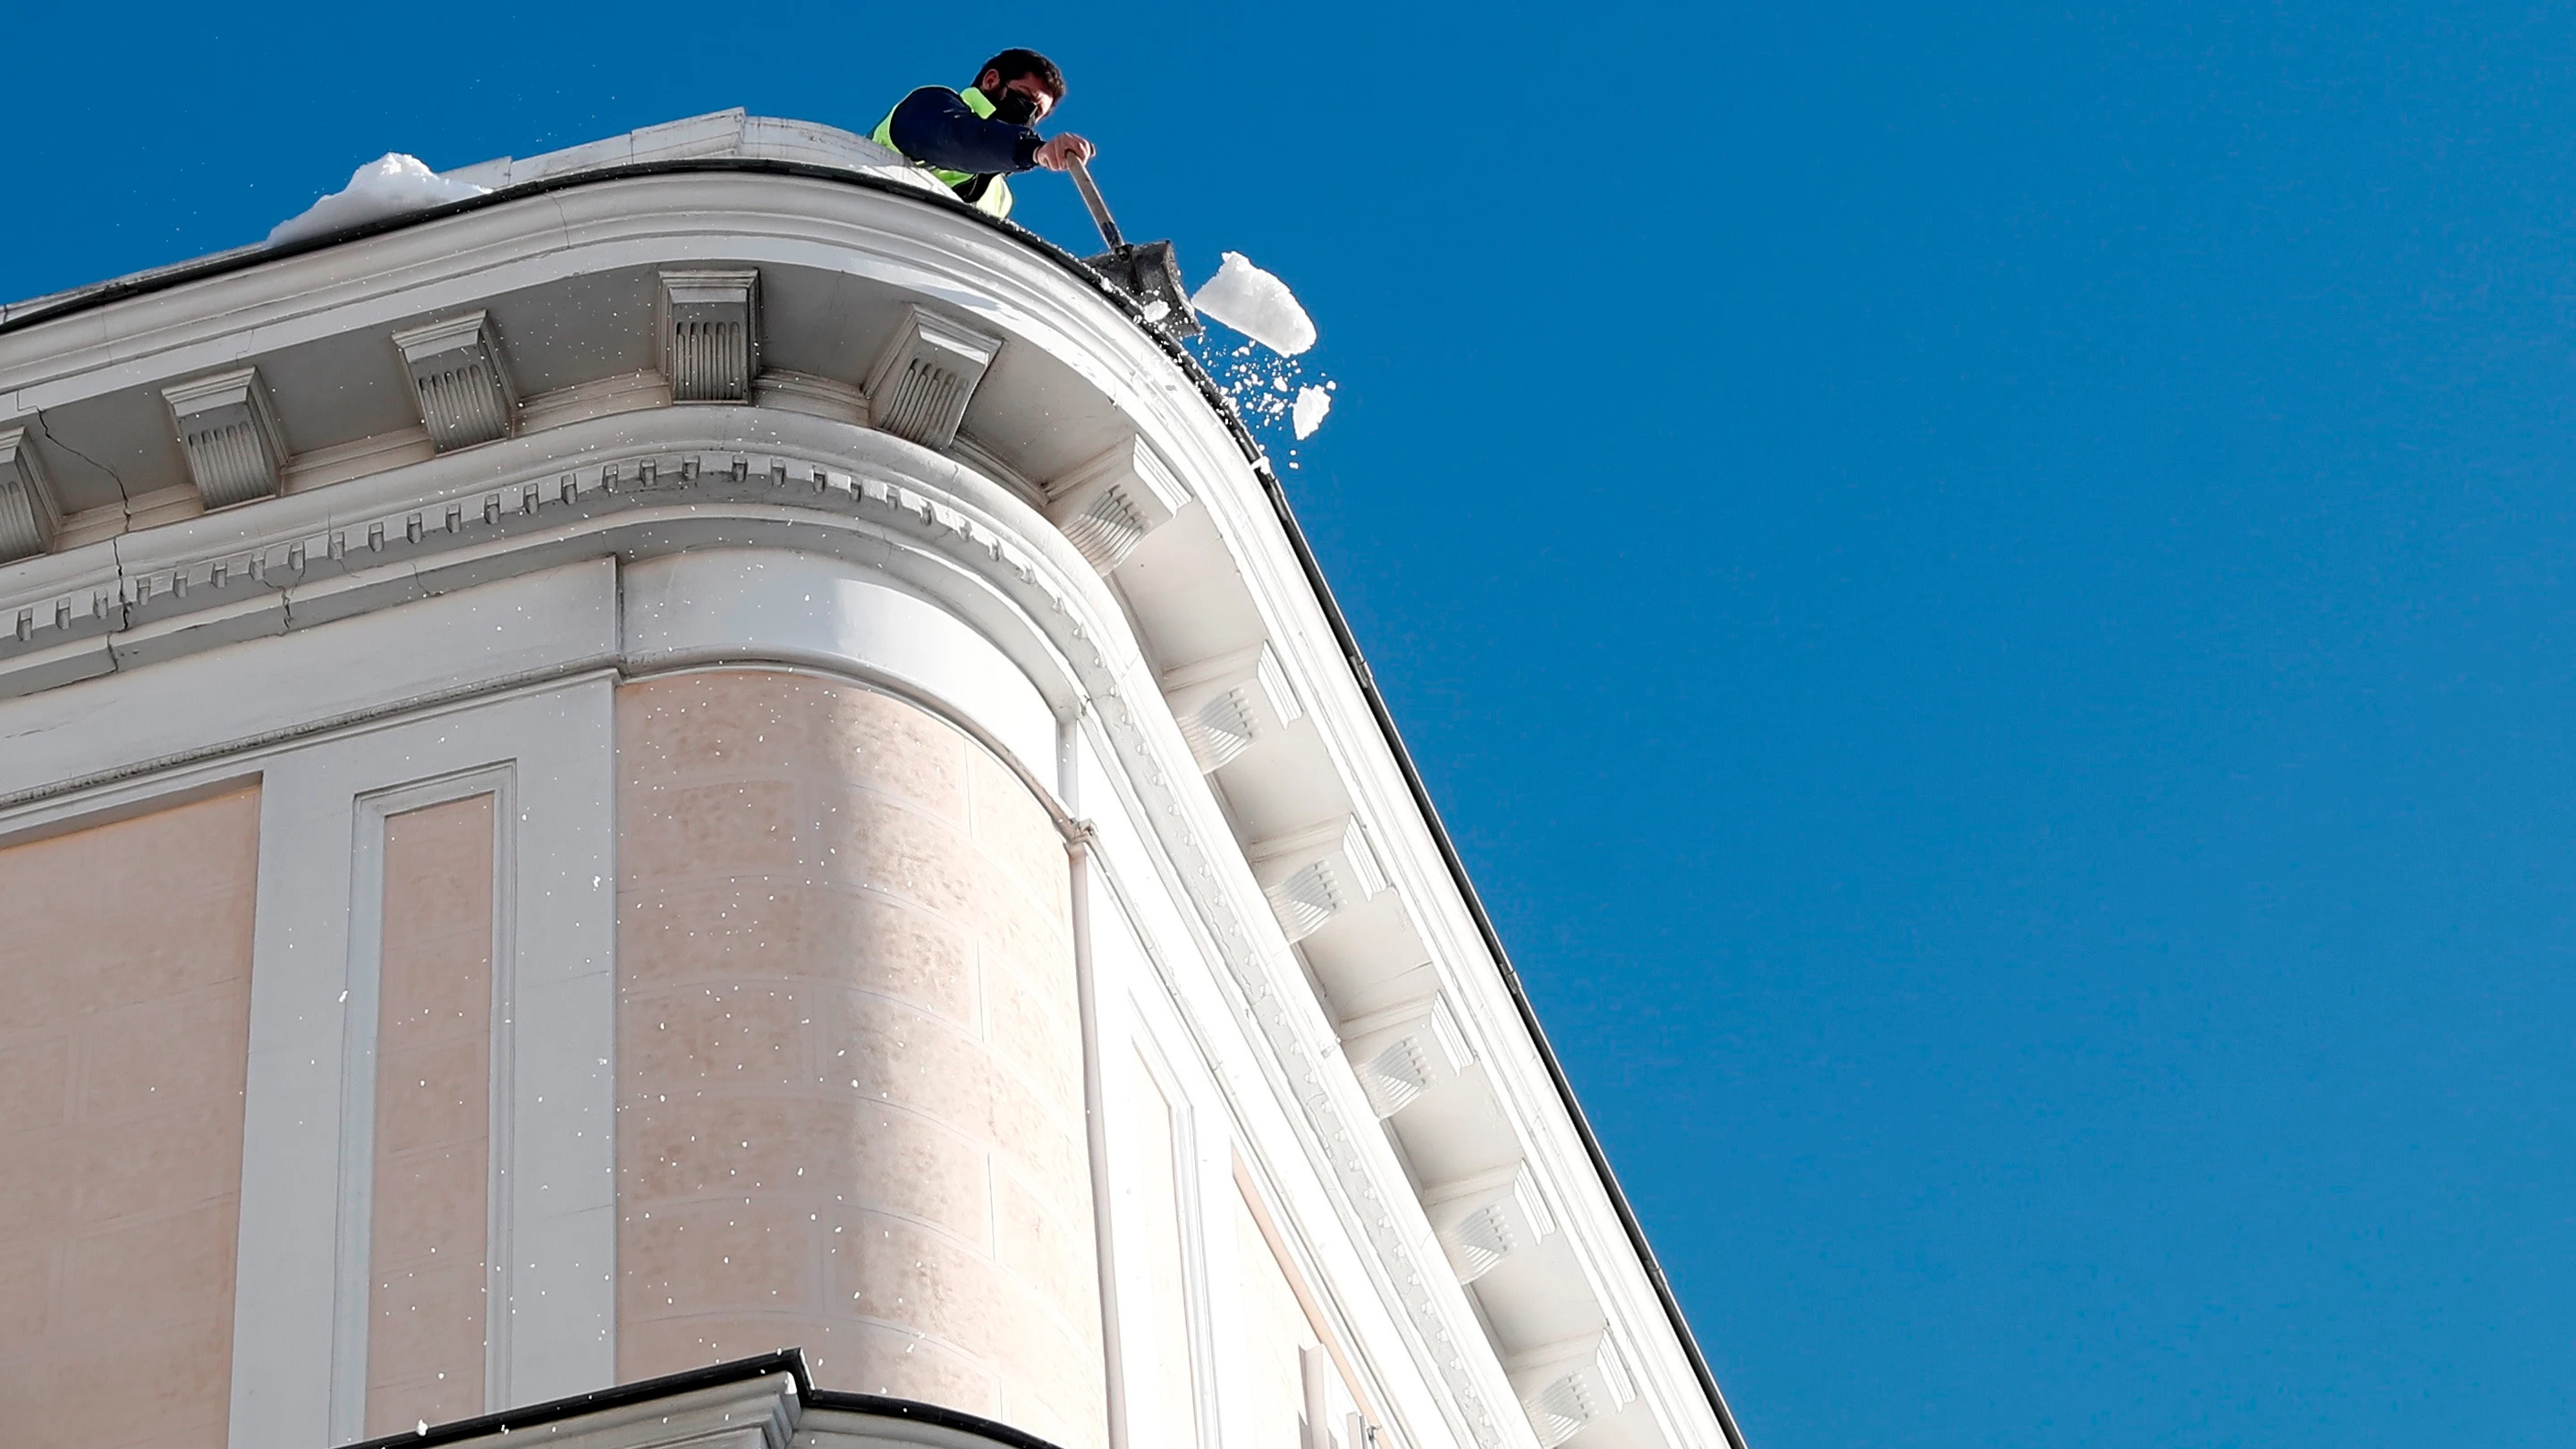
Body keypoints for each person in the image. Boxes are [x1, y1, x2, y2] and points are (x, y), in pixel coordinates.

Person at [873, 49, 1097, 221]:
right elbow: (960, 140)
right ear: (991, 81)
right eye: (1024, 96)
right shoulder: (929, 107)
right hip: (867, 230)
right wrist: (1034, 150)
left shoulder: (1000, 197)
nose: (1028, 115)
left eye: (1037, 113)